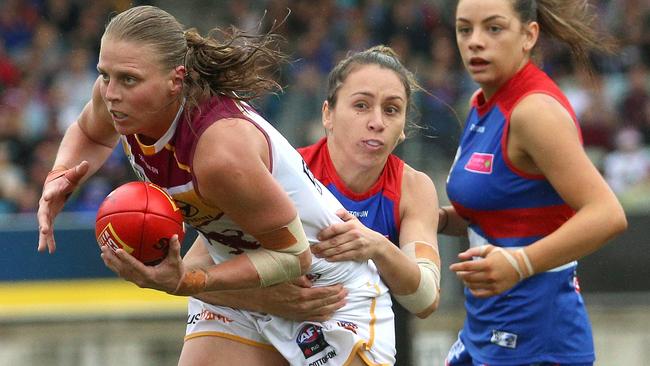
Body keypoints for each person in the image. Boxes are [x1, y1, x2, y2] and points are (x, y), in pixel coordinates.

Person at [35, 6, 404, 366]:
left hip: (325, 292)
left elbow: (295, 256)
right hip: (240, 283)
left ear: (175, 80)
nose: (111, 92)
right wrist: (60, 176)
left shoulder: (219, 151)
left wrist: (190, 281)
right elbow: (90, 134)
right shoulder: (116, 100)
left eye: (128, 79)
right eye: (104, 75)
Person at [183, 45, 442, 365]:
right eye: (361, 105)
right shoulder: (283, 172)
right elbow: (194, 274)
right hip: (267, 320)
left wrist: (377, 246)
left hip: (363, 328)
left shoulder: (413, 187)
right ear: (327, 115)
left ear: (403, 127)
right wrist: (269, 300)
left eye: (391, 110)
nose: (377, 121)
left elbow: (426, 299)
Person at [440, 0, 628, 365]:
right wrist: (433, 218)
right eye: (465, 29)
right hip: (487, 328)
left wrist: (520, 263)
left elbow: (608, 214)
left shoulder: (534, 111)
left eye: (493, 28)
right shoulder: (483, 101)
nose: (475, 41)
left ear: (529, 35)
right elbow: (504, 215)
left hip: (537, 337)